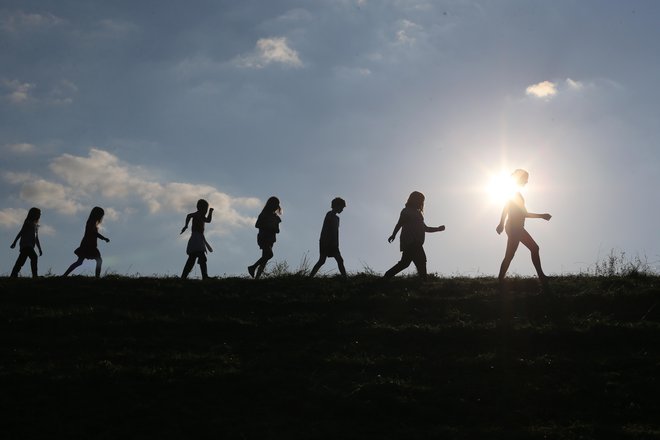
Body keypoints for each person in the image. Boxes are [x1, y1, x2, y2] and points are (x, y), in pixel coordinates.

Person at [496, 169, 551, 284]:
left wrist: (501, 224)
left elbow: (511, 210)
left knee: (510, 255)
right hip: (514, 228)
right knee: (534, 248)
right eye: (525, 179)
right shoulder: (515, 194)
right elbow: (514, 211)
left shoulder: (515, 193)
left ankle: (500, 279)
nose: (526, 182)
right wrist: (542, 216)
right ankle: (541, 276)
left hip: (515, 227)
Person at [384, 191, 445, 279]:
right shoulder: (407, 211)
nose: (421, 202)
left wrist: (438, 229)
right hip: (411, 241)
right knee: (421, 260)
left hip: (416, 242)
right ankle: (423, 280)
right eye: (420, 200)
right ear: (414, 200)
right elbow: (399, 223)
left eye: (422, 200)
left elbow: (426, 228)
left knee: (405, 263)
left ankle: (387, 275)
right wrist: (393, 234)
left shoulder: (418, 214)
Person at [62, 206, 110, 278]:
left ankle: (64, 275)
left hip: (89, 245)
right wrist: (103, 238)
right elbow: (93, 232)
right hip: (88, 245)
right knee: (98, 260)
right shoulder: (91, 222)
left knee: (80, 262)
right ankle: (97, 277)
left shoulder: (92, 222)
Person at [309, 197, 347, 278]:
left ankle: (345, 278)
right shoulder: (329, 214)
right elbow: (326, 229)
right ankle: (309, 277)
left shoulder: (337, 218)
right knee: (322, 260)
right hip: (325, 242)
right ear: (336, 205)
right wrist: (325, 241)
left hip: (333, 243)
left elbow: (335, 232)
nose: (342, 210)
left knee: (340, 260)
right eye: (342, 207)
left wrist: (335, 243)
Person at [248, 196, 281, 279]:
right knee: (269, 255)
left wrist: (275, 226)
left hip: (271, 239)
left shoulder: (276, 217)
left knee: (265, 259)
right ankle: (252, 267)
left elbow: (277, 230)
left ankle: (257, 277)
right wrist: (268, 226)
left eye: (277, 204)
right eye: (275, 204)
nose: (277, 205)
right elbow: (257, 224)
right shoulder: (264, 214)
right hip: (264, 237)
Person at [180, 199, 214, 279]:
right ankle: (204, 276)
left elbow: (208, 220)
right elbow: (189, 215)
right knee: (200, 258)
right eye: (205, 209)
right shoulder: (198, 214)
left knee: (192, 259)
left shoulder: (199, 215)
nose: (205, 211)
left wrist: (210, 212)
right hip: (196, 238)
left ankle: (184, 276)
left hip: (197, 238)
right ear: (201, 208)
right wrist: (186, 225)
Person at [10, 207, 43, 278]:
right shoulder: (27, 222)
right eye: (38, 214)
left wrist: (39, 249)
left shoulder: (36, 226)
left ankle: (13, 275)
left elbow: (36, 238)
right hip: (25, 245)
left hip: (30, 245)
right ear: (33, 214)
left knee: (21, 261)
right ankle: (35, 276)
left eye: (40, 214)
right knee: (34, 257)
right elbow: (21, 232)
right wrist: (14, 242)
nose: (39, 215)